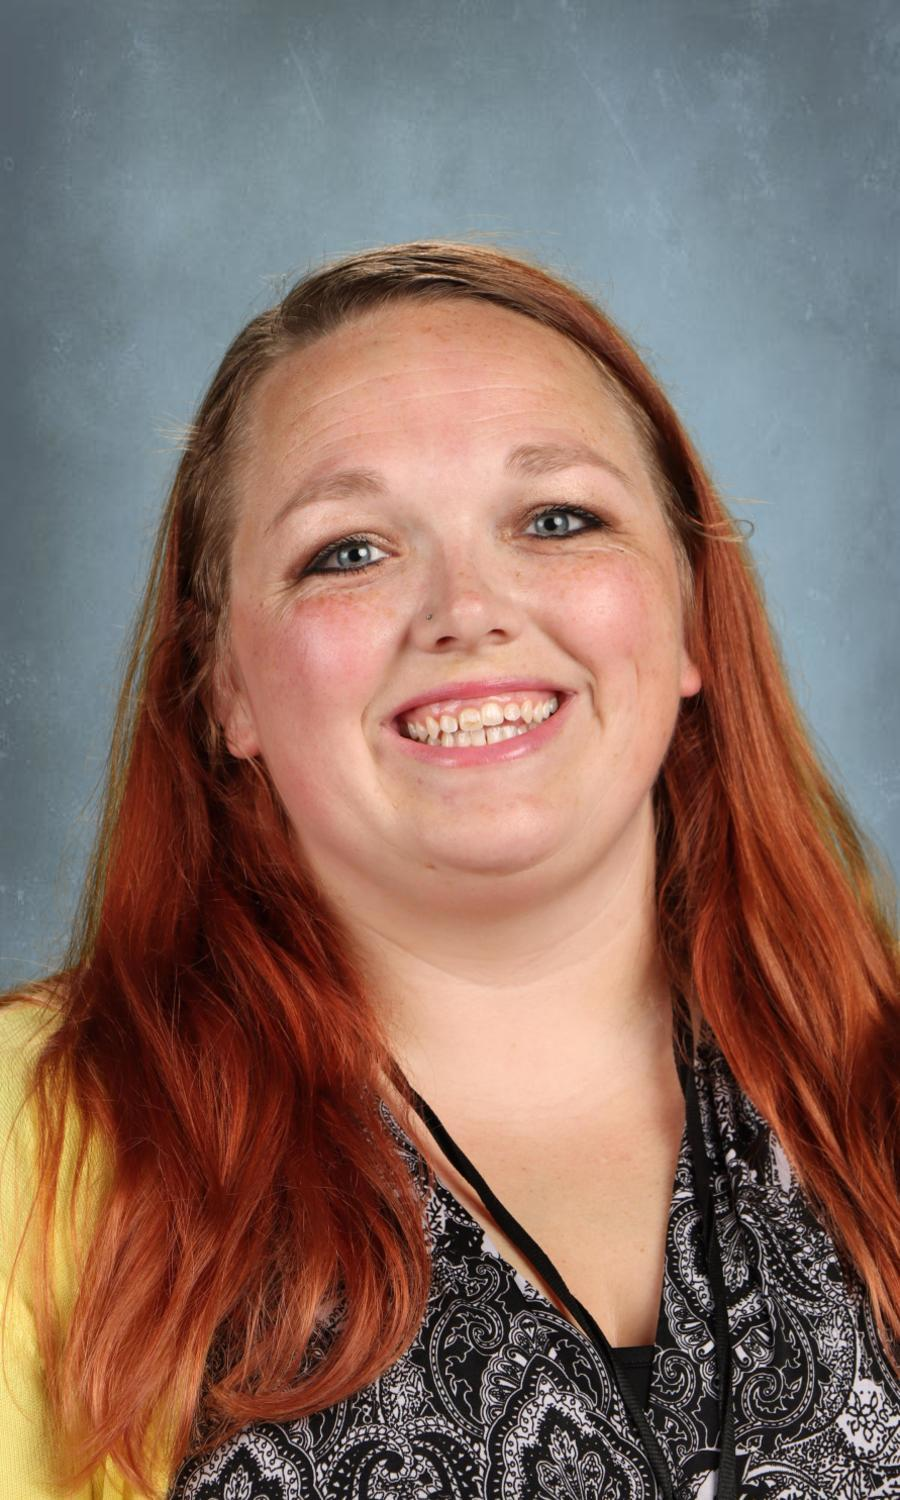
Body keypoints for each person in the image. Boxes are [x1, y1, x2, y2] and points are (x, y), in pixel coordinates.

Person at [1, 239, 898, 1500]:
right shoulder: (25, 1145)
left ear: (692, 613)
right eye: (349, 551)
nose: (468, 610)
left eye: (558, 520)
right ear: (224, 685)